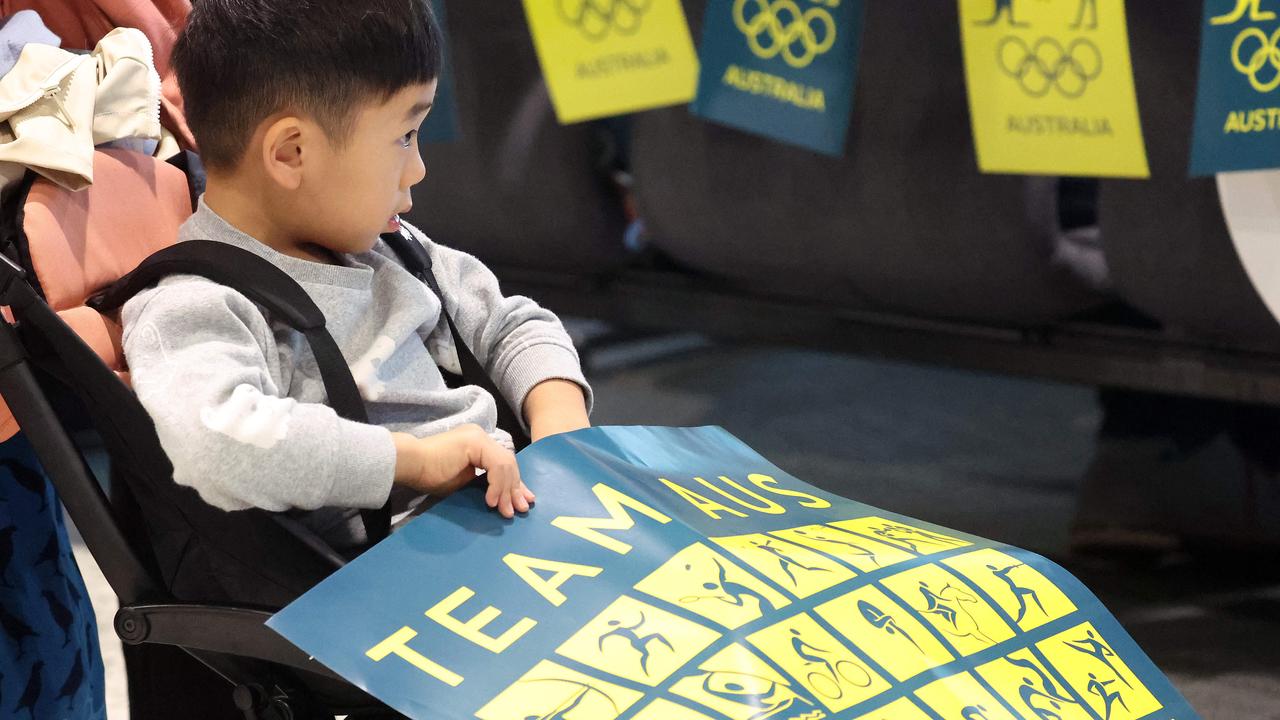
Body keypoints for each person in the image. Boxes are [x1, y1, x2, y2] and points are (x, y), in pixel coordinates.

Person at [120, 0, 592, 555]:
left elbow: (510, 323)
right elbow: (218, 442)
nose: (417, 168)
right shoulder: (197, 304)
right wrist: (411, 460)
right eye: (405, 136)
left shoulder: (383, 248)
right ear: (291, 152)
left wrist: (559, 421)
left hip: (516, 510)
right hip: (418, 579)